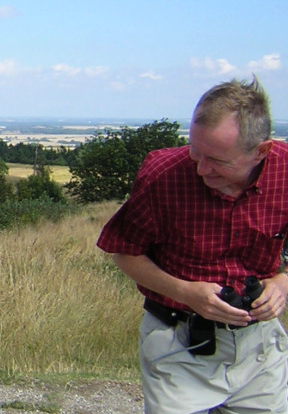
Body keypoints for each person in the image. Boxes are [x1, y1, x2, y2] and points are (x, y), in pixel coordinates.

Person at [97, 77, 288, 414]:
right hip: (178, 340)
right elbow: (125, 252)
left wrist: (282, 282)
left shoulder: (285, 171)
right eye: (195, 152)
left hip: (259, 348)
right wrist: (186, 292)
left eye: (217, 161)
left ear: (261, 151)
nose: (201, 169)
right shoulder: (163, 174)